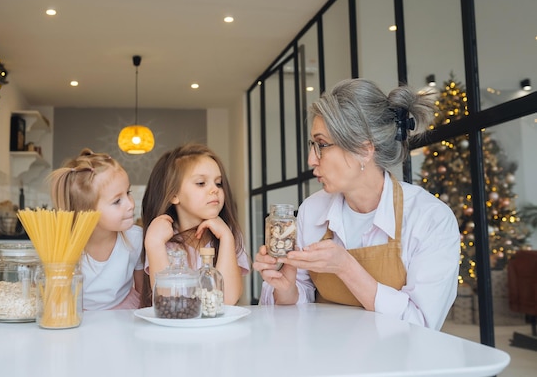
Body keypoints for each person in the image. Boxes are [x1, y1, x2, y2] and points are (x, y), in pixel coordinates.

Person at [253, 79, 460, 330]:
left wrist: (346, 268)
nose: (311, 160)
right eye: (312, 145)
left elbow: (422, 324)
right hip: (326, 357)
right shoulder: (312, 210)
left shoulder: (429, 218)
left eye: (322, 145)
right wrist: (286, 290)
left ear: (364, 150)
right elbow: (302, 302)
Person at [141, 143, 249, 307]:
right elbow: (167, 302)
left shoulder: (229, 234)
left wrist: (227, 238)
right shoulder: (160, 238)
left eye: (218, 183)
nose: (214, 189)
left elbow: (228, 300)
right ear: (174, 195)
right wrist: (154, 244)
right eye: (201, 183)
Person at [49, 148, 144, 310]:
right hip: (80, 317)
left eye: (128, 193)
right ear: (86, 212)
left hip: (125, 313)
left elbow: (143, 292)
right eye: (117, 201)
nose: (131, 204)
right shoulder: (64, 246)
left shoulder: (136, 238)